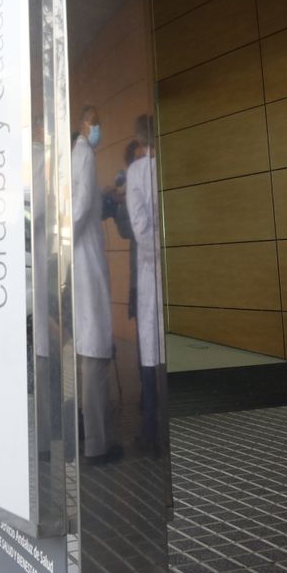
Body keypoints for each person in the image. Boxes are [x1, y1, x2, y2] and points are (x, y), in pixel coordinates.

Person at [71, 105, 118, 465]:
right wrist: (65, 237)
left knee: (90, 350)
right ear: (87, 125)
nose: (99, 129)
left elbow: (84, 201)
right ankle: (96, 445)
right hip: (85, 261)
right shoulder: (84, 153)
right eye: (96, 123)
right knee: (95, 351)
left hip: (82, 258)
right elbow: (81, 206)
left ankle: (90, 439)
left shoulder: (77, 154)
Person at [128, 116, 165, 453]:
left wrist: (155, 253)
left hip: (151, 269)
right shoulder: (166, 168)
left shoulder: (137, 173)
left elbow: (139, 227)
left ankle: (152, 434)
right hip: (165, 269)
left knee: (151, 355)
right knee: (160, 350)